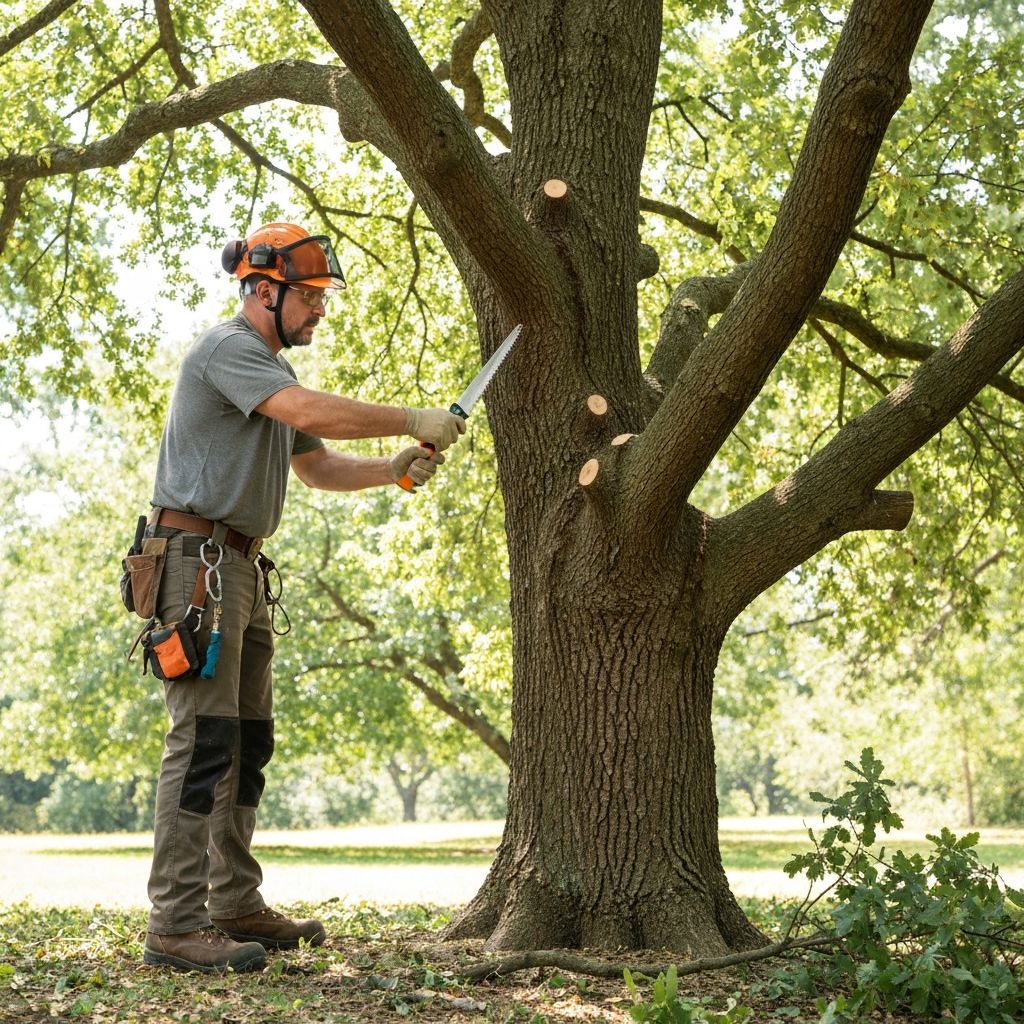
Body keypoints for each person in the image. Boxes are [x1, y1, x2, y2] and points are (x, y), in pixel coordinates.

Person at [141, 222, 465, 973]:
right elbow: (311, 413)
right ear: (262, 292)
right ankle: (175, 924)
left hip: (243, 569)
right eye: (311, 297)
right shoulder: (232, 352)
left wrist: (393, 469)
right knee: (200, 744)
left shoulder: (266, 375)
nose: (321, 311)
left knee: (247, 744)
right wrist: (411, 417)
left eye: (321, 298)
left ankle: (233, 902)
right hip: (196, 562)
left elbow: (317, 466)